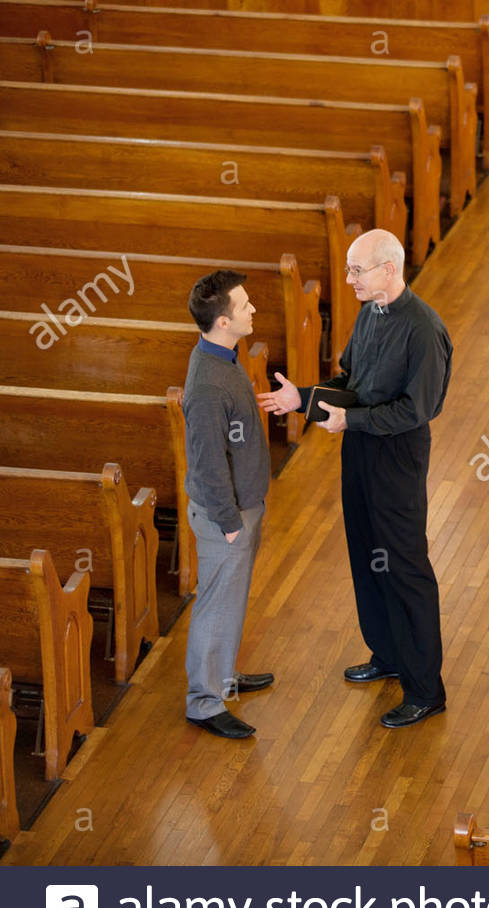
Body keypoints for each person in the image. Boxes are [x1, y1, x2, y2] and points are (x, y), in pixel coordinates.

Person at [258, 229, 453, 729]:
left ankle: (426, 689)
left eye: (356, 270)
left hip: (397, 460)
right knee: (368, 555)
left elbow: (419, 408)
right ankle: (388, 653)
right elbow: (352, 383)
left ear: (389, 269)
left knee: (405, 566)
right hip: (359, 452)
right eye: (349, 270)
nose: (348, 280)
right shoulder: (371, 313)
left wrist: (353, 421)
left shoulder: (424, 329)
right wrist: (302, 398)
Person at [182, 270, 275, 740]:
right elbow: (207, 463)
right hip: (226, 517)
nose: (252, 309)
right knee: (217, 606)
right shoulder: (207, 386)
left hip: (239, 509)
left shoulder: (222, 355)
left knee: (229, 603)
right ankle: (204, 701)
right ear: (222, 322)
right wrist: (230, 523)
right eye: (243, 306)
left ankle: (222, 677)